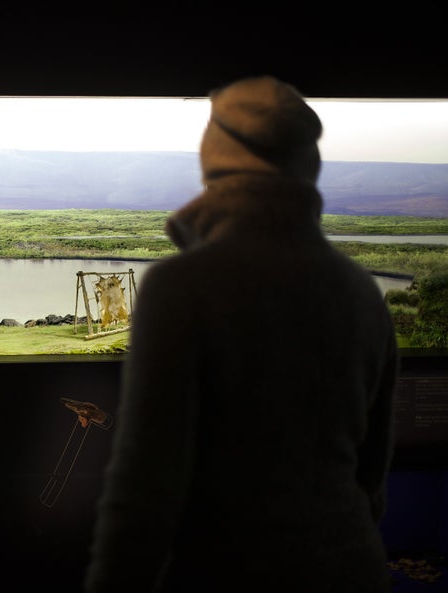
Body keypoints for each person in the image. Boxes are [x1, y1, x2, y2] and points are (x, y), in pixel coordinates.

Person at [84, 76, 398, 592]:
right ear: (305, 166)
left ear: (216, 155)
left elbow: (145, 488)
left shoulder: (183, 286)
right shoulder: (361, 292)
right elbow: (372, 483)